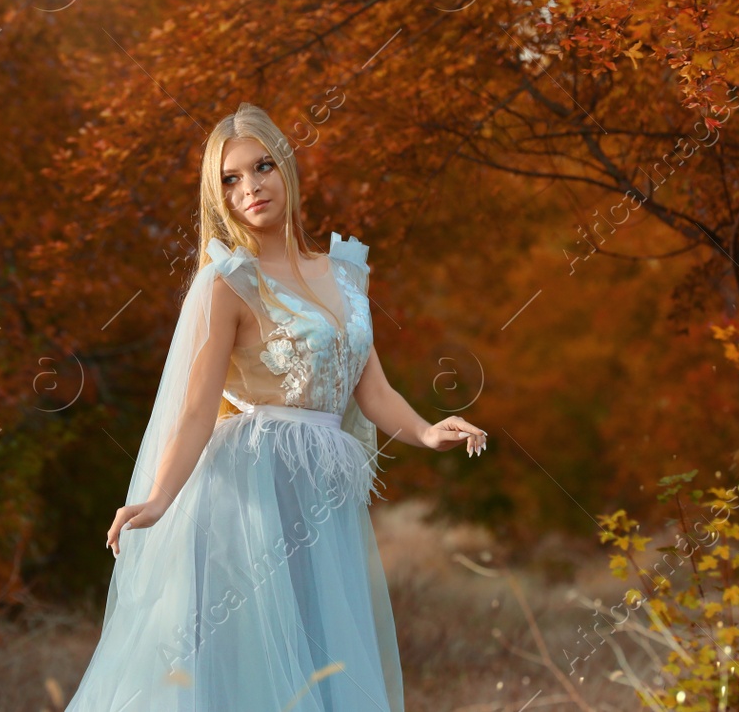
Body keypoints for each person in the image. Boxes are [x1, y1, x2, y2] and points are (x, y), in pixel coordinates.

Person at [65, 102, 488, 712]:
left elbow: (371, 391)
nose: (251, 188)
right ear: (220, 197)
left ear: (287, 167)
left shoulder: (345, 274)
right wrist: (157, 499)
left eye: (262, 166)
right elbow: (193, 411)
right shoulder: (227, 283)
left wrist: (425, 431)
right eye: (230, 180)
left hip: (323, 496)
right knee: (254, 667)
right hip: (250, 496)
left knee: (323, 654)